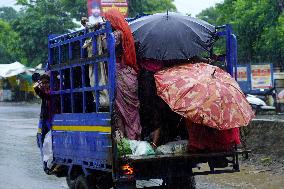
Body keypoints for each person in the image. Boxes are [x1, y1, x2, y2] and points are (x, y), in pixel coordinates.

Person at [104, 9, 141, 140]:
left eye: (106, 20)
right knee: (131, 111)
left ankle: (127, 140)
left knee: (122, 110)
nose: (105, 22)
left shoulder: (117, 35)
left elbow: (105, 45)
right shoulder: (125, 33)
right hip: (129, 75)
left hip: (121, 76)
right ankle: (133, 139)